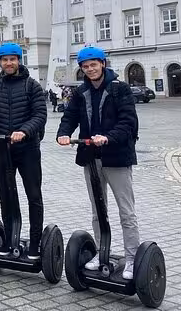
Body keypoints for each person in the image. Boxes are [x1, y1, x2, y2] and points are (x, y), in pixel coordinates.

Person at [56, 45, 140, 280]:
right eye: (85, 66)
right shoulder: (81, 92)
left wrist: (108, 137)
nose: (90, 69)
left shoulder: (120, 89)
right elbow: (69, 116)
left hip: (117, 157)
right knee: (97, 211)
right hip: (91, 158)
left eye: (94, 64)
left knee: (126, 212)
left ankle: (132, 258)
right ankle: (102, 254)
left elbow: (128, 122)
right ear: (82, 69)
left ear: (103, 64)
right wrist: (63, 133)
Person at [0, 43, 47, 259]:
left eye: (13, 59)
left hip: (27, 148)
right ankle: (9, 238)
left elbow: (40, 115)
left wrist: (24, 131)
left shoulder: (31, 85)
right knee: (6, 194)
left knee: (33, 195)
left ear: (19, 60)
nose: (9, 63)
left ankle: (35, 241)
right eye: (4, 60)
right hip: (1, 147)